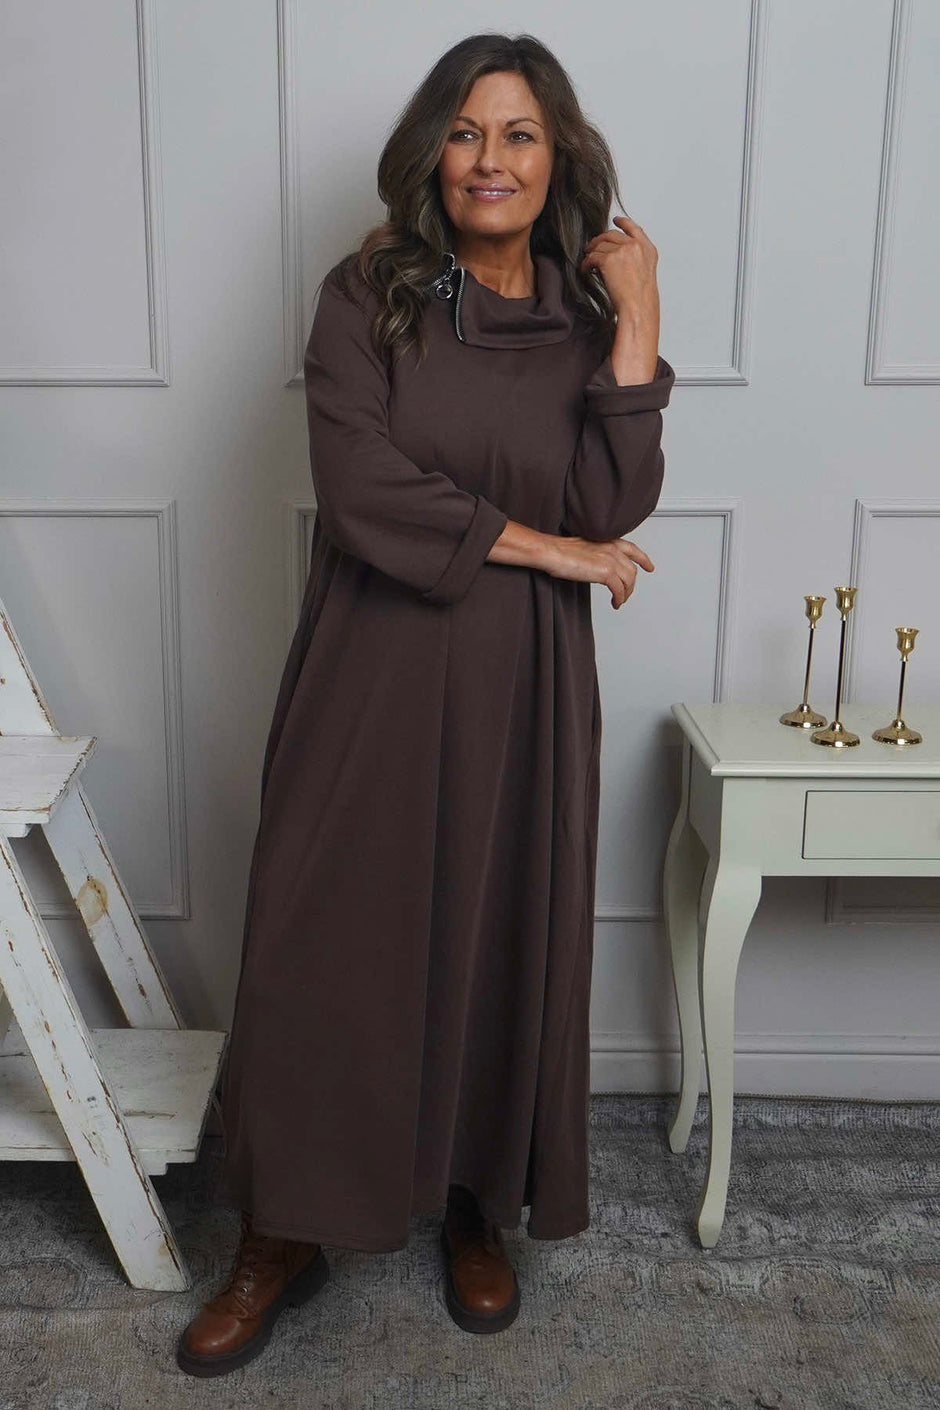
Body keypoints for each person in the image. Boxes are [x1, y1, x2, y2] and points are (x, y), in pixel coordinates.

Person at [177, 30, 674, 1378]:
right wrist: (551, 550)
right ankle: (282, 1230)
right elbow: (362, 489)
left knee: (500, 930)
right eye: (464, 132)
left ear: (558, 156)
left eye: (518, 134)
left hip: (523, 688)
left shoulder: (583, 318)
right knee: (321, 937)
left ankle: (474, 1203)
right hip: (372, 667)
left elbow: (614, 501)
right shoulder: (370, 297)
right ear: (430, 155)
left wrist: (639, 319)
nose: (488, 160)